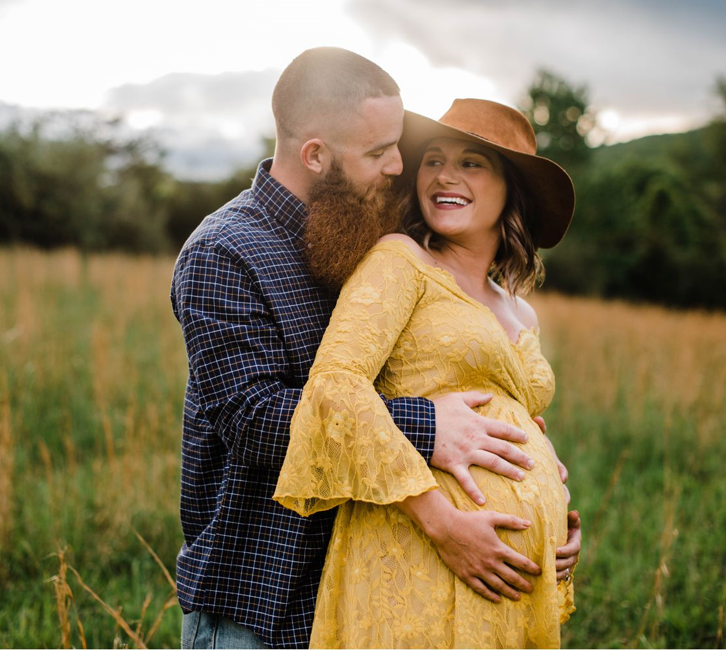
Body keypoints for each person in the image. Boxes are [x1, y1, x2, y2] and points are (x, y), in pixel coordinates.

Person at [170, 48, 580, 649]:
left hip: (370, 571)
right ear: (316, 155)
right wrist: (429, 428)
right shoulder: (226, 252)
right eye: (379, 151)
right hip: (262, 592)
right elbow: (253, 419)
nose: (398, 167)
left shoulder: (361, 224)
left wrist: (531, 462)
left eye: (398, 146)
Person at [273, 98, 578, 647]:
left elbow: (516, 425)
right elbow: (334, 388)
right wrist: (445, 524)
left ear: (512, 188)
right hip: (419, 551)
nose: (444, 175)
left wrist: (556, 519)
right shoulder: (401, 260)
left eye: (471, 163)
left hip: (506, 576)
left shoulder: (519, 308)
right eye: (433, 159)